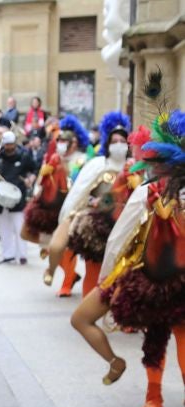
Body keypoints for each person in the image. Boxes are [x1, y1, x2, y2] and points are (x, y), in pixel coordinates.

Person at [71, 107, 185, 407]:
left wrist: (111, 281)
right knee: (178, 335)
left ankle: (151, 395)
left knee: (154, 335)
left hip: (146, 280)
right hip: (178, 281)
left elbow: (117, 240)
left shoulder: (147, 192)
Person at [65, 112, 132, 295]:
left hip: (127, 227)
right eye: (114, 141)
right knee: (94, 273)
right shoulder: (97, 165)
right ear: (108, 144)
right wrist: (93, 202)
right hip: (98, 227)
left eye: (122, 141)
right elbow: (81, 194)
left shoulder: (135, 168)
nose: (118, 144)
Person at [43, 114, 101, 295]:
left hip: (75, 209)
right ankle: (70, 275)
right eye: (58, 139)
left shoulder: (84, 159)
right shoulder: (54, 157)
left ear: (74, 142)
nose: (59, 143)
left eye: (63, 140)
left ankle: (67, 283)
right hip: (55, 208)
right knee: (53, 248)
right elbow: (44, 182)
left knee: (67, 248)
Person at [0, 131, 37, 264]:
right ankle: (8, 255)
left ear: (15, 144)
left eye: (11, 144)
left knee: (19, 227)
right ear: (3, 145)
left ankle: (22, 255)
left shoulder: (24, 156)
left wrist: (31, 179)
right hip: (1, 199)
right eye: (7, 145)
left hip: (18, 196)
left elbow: (34, 169)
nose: (9, 147)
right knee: (4, 228)